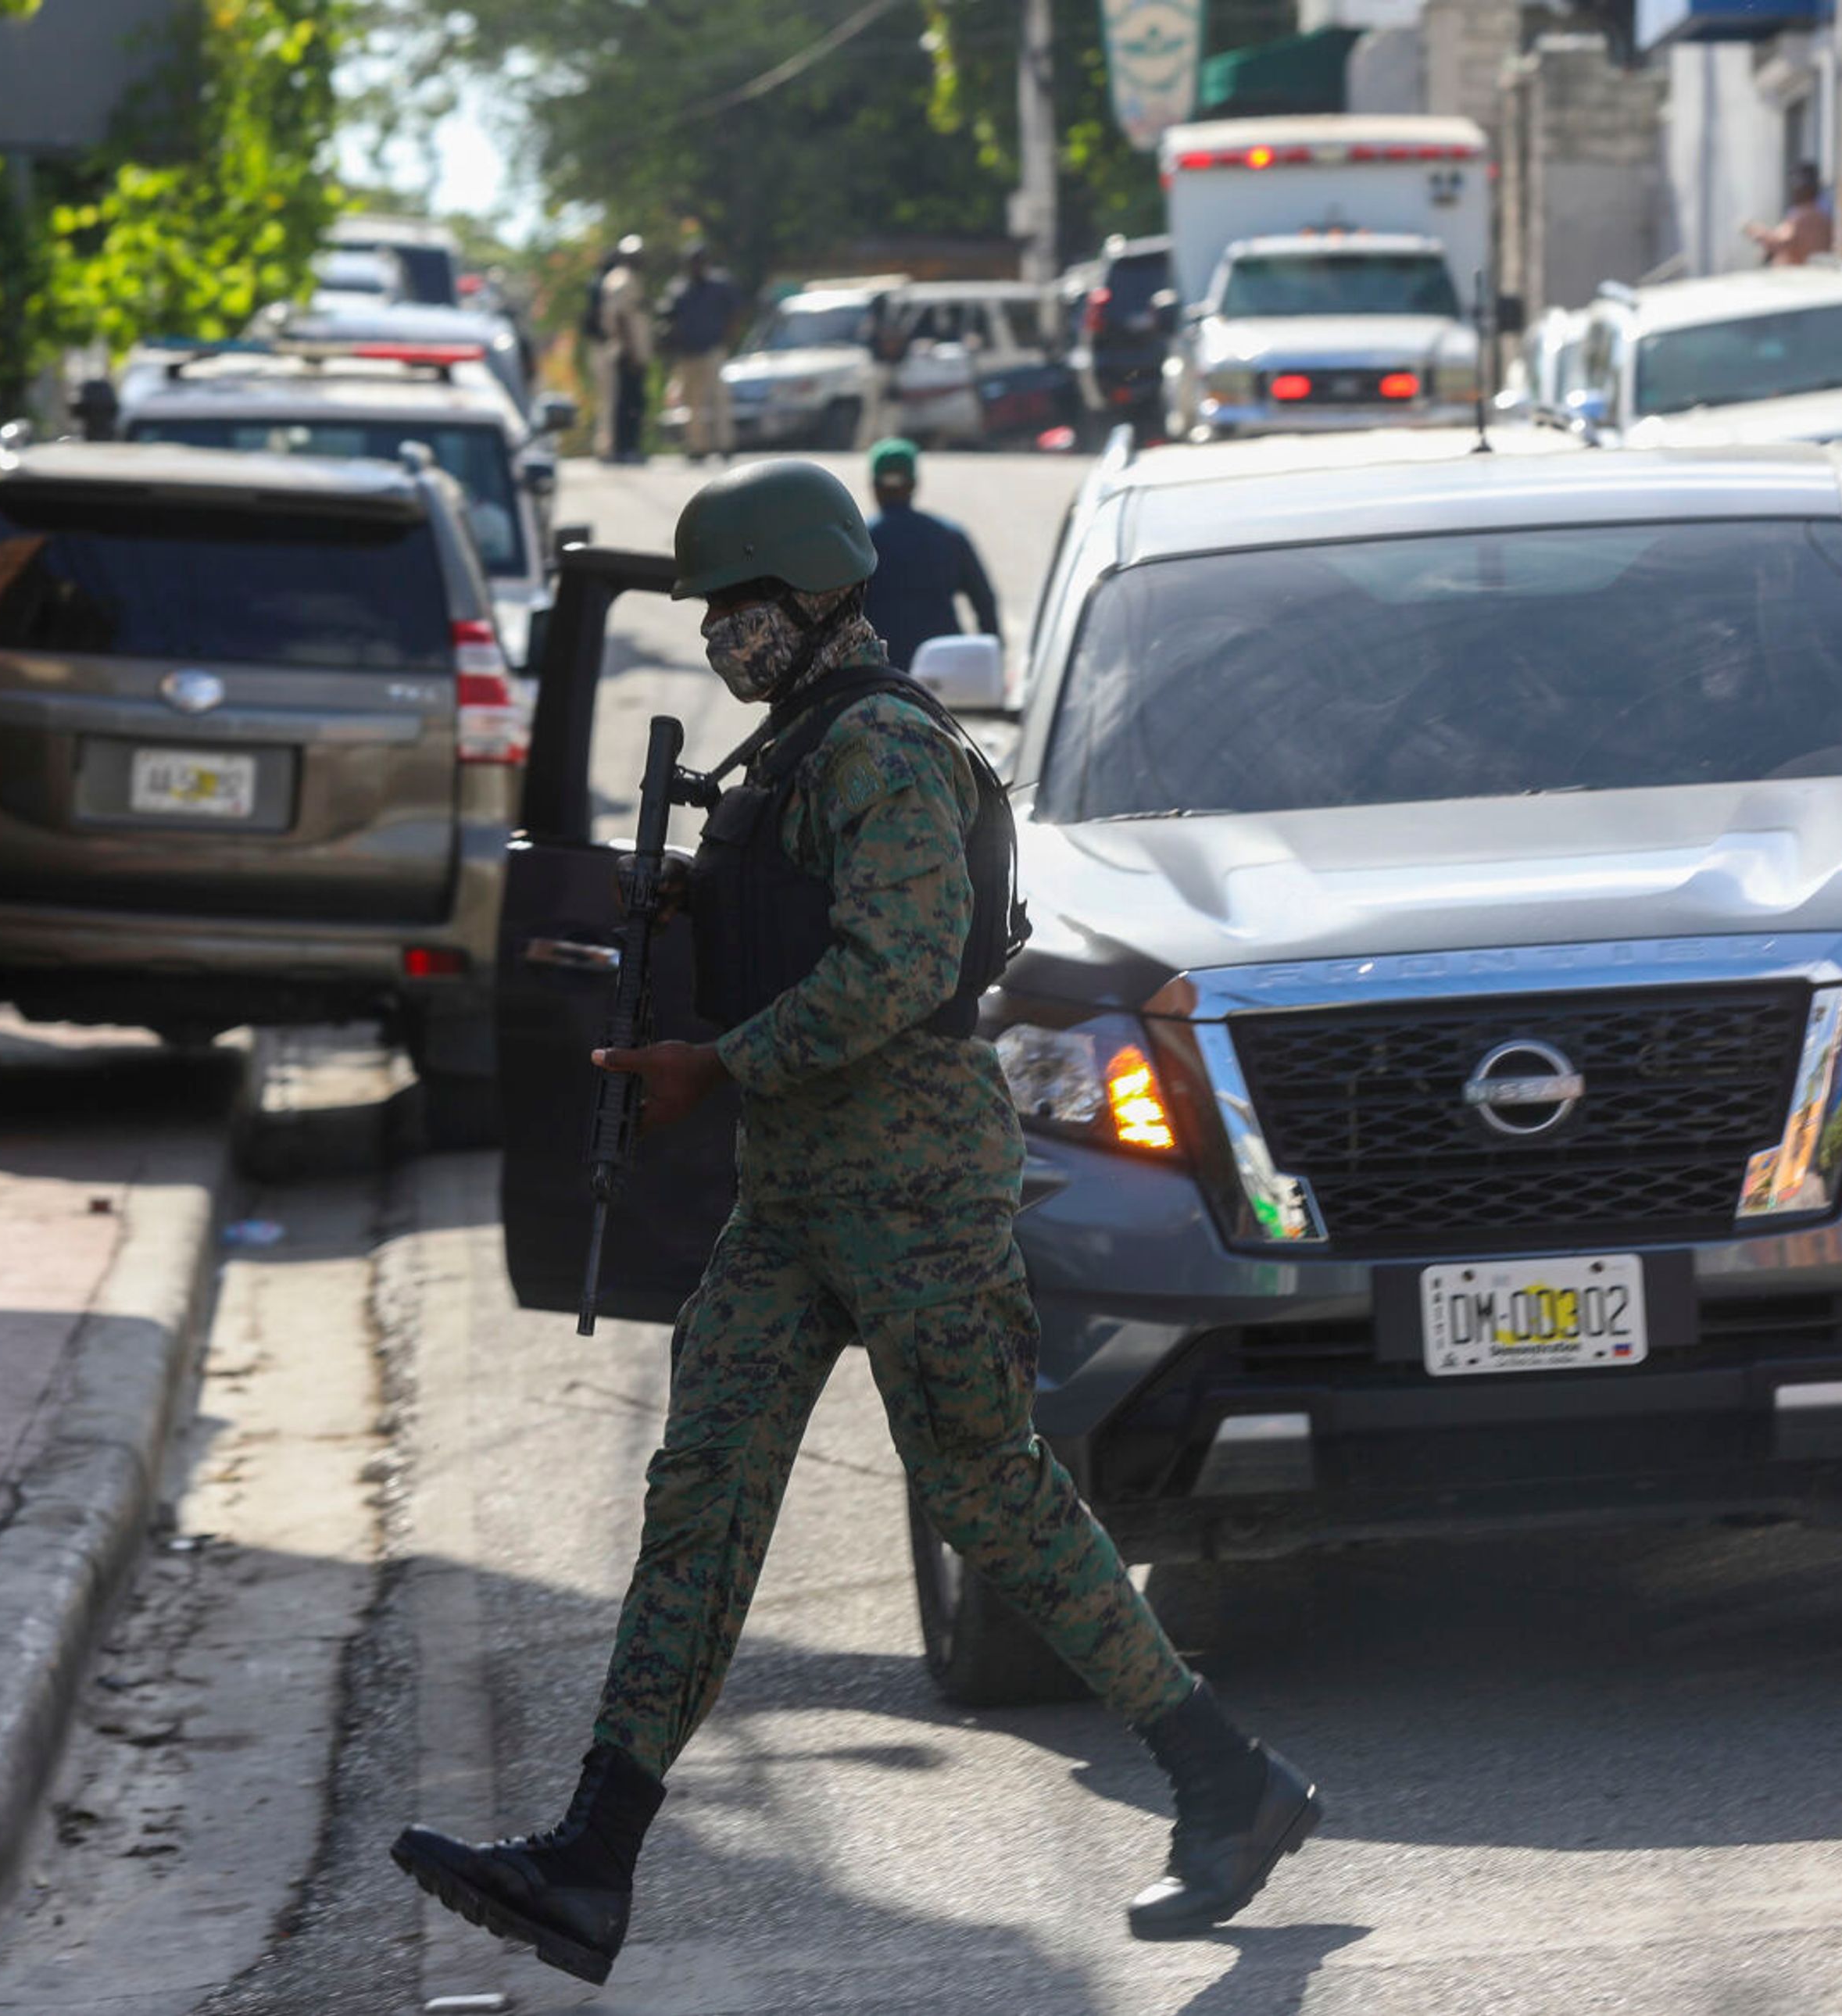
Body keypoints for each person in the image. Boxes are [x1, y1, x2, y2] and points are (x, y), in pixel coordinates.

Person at [389, 460, 1318, 1986]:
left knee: (992, 1495)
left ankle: (1229, 1784)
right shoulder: (796, 754)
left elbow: (901, 965)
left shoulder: (883, 749)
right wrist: (706, 911)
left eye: (738, 609)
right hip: (795, 1194)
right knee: (703, 1488)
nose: (717, 639)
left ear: (813, 598)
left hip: (911, 1190)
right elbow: (815, 921)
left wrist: (718, 1059)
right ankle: (593, 1861)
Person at [861, 438, 999, 671]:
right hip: (945, 673)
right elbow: (984, 603)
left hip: (880, 675)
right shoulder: (950, 536)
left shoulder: (860, 543)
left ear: (874, 486)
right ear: (914, 484)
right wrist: (993, 665)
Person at [658, 245, 742, 463]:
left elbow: (734, 314)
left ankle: (725, 445)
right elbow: (668, 318)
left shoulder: (720, 284)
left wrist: (727, 340)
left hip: (713, 349)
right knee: (692, 402)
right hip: (688, 352)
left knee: (719, 398)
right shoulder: (678, 288)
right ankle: (698, 447)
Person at [599, 233, 654, 463]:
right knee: (627, 403)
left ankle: (629, 447)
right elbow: (619, 318)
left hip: (634, 351)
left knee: (634, 401)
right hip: (626, 352)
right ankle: (624, 449)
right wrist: (630, 350)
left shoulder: (631, 278)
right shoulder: (620, 279)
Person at [1746, 161, 1835, 266]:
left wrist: (1756, 231)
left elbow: (1778, 242)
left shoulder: (1802, 217)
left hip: (1798, 277)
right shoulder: (1822, 216)